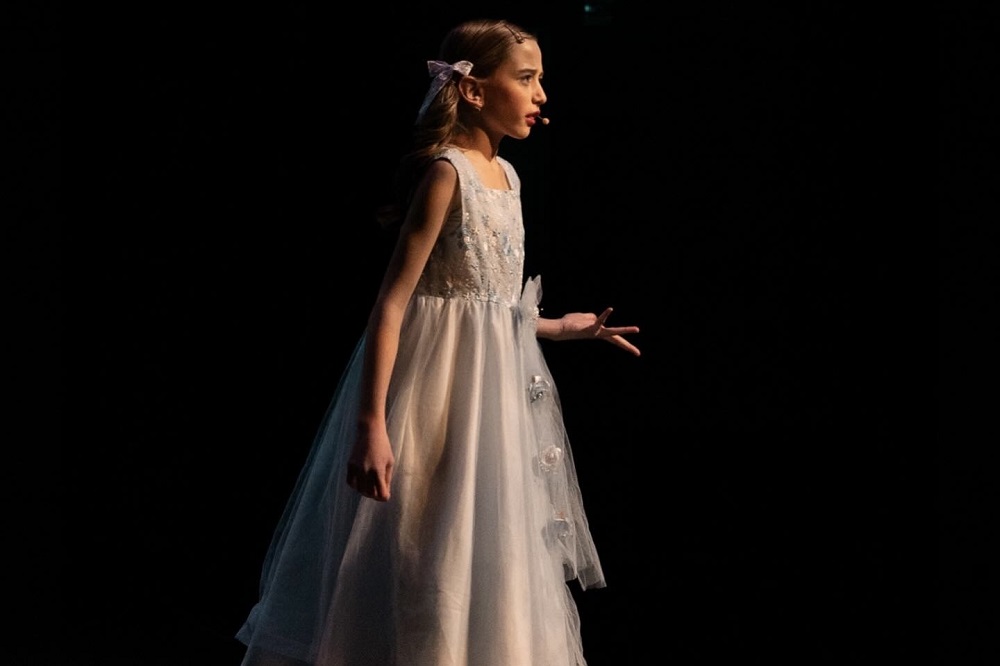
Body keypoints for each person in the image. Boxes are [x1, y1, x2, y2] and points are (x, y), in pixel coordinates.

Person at [236, 18, 640, 666]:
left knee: (492, 551)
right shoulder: (448, 174)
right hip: (435, 396)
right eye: (527, 79)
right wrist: (371, 424)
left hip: (492, 407)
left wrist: (561, 326)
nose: (541, 95)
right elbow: (393, 305)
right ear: (475, 90)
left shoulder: (509, 179)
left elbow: (491, 308)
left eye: (541, 80)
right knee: (425, 555)